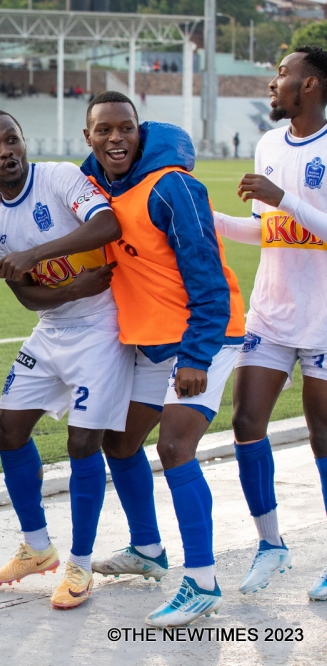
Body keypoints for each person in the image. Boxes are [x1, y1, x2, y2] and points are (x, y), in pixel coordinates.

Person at [0, 91, 245, 626]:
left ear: (141, 131)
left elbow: (205, 273)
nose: (116, 139)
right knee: (120, 441)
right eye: (103, 131)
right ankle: (148, 550)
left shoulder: (173, 185)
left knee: (175, 448)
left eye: (125, 129)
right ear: (88, 137)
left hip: (205, 338)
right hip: (150, 341)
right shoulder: (99, 185)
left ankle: (201, 581)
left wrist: (197, 353)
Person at [0, 109, 131, 610]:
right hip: (52, 331)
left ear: (23, 141)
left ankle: (80, 565)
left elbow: (107, 224)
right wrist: (68, 288)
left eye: (12, 139)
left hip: (101, 329)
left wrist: (40, 256)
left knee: (84, 442)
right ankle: (37, 548)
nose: (6, 151)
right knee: (7, 431)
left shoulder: (60, 176)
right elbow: (28, 300)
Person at [210, 46, 327, 601]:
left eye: (283, 73)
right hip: (271, 313)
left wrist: (283, 198)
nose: (273, 82)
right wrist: (206, 219)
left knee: (323, 436)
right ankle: (271, 544)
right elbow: (267, 230)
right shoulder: (267, 143)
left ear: (311, 85)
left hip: (325, 320)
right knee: (246, 421)